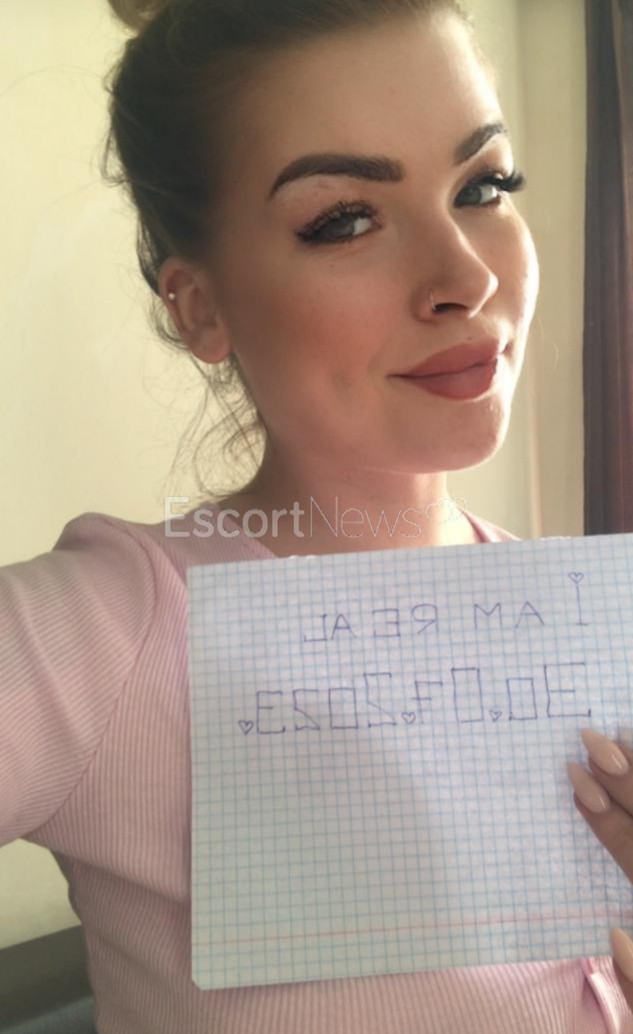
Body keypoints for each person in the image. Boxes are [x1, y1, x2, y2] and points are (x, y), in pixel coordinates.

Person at [3, 0, 633, 1030]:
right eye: (343, 218)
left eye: (482, 186)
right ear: (201, 306)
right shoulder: (112, 629)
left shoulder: (564, 616)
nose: (467, 276)